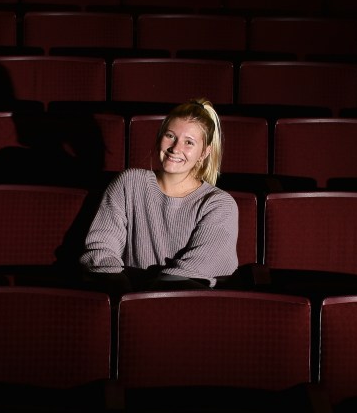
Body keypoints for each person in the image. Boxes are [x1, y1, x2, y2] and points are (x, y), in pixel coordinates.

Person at [79, 98, 239, 291]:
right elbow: (101, 248)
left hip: (183, 305)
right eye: (170, 136)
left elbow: (196, 269)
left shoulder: (218, 204)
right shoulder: (129, 182)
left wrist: (143, 290)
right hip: (126, 295)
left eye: (189, 142)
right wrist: (123, 290)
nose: (175, 148)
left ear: (204, 153)